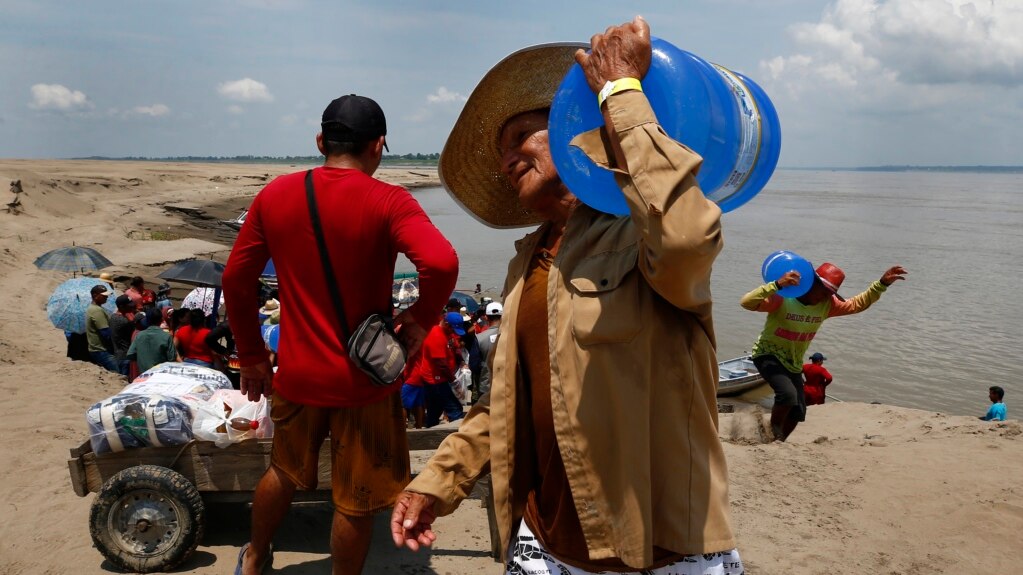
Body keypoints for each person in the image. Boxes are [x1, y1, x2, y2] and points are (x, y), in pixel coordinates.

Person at [391, 18, 743, 574]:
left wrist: (621, 96)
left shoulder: (639, 235)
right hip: (543, 545)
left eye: (519, 140)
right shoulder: (527, 262)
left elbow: (688, 233)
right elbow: (503, 403)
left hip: (659, 553)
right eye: (502, 154)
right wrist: (437, 483)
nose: (506, 162)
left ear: (570, 129)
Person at [221, 92, 458, 575]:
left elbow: (234, 280)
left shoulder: (276, 194)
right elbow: (440, 262)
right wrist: (420, 317)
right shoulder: (390, 200)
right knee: (355, 498)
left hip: (298, 377)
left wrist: (251, 355)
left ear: (320, 141)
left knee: (283, 472)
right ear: (379, 145)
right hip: (364, 384)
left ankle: (255, 557)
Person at [742, 262, 907, 441]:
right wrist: (777, 285)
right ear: (811, 284)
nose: (825, 297)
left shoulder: (827, 304)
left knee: (798, 411)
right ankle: (773, 432)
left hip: (793, 362)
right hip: (768, 354)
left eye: (830, 293)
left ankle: (779, 441)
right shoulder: (783, 298)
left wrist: (882, 284)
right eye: (823, 291)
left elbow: (857, 304)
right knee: (787, 394)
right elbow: (747, 302)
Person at [420, 312, 468, 428]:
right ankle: (458, 437)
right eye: (453, 329)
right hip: (435, 380)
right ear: (446, 324)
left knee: (434, 410)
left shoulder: (448, 333)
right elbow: (441, 364)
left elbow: (455, 347)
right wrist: (454, 382)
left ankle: (429, 434)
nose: (453, 332)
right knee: (455, 409)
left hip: (441, 378)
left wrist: (461, 361)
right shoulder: (436, 335)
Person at [127, 307, 178, 373]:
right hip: (160, 374)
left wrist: (143, 359)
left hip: (144, 374)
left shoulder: (139, 335)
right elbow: (172, 358)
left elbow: (130, 354)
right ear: (161, 320)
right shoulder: (166, 336)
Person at [85, 284, 119, 373]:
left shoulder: (95, 308)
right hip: (101, 350)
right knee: (118, 372)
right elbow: (105, 333)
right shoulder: (96, 310)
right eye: (103, 295)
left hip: (98, 349)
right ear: (95, 295)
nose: (106, 297)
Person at [474, 301, 502, 401]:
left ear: (486, 317)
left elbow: (474, 365)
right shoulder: (512, 335)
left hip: (486, 384)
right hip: (508, 383)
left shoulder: (479, 338)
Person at [109, 294, 138, 377]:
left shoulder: (113, 317)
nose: (131, 308)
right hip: (125, 355)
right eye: (129, 306)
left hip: (118, 353)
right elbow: (134, 332)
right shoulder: (123, 321)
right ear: (121, 307)